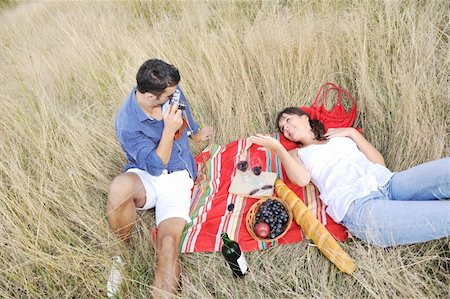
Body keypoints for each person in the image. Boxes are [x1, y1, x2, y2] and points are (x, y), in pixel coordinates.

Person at [250, 107, 449, 247]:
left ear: (304, 117)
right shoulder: (296, 154)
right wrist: (278, 148)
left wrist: (352, 133)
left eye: (288, 119)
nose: (286, 127)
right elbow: (301, 180)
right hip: (359, 207)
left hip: (388, 183)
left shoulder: (337, 135)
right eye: (283, 128)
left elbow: (379, 162)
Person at [106, 59, 213, 297]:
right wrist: (167, 129)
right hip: (148, 172)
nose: (176, 96)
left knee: (167, 246)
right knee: (119, 186)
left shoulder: (170, 90)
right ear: (151, 96)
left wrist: (194, 133)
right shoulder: (127, 124)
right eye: (169, 95)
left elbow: (185, 110)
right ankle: (121, 255)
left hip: (178, 177)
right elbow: (154, 167)